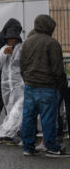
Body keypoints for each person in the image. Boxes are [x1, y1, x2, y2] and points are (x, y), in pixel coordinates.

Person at [19, 14, 70, 157]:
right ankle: (51, 146)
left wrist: (27, 79)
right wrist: (62, 86)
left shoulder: (27, 42)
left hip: (30, 85)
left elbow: (22, 65)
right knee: (48, 118)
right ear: (49, 27)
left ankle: (28, 146)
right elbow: (57, 69)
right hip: (48, 86)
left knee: (29, 116)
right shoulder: (52, 43)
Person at [0, 18, 22, 143]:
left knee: (11, 105)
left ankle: (8, 131)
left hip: (9, 80)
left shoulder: (16, 44)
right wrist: (4, 53)